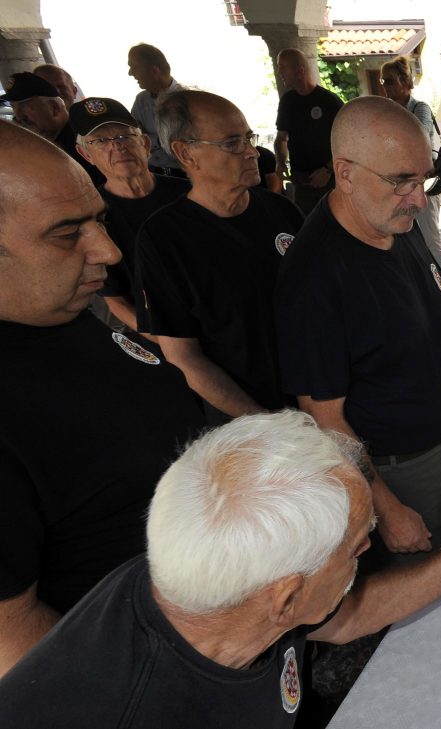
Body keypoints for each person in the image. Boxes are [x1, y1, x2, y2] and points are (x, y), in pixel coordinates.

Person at [0, 410, 441, 727]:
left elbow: (347, 617)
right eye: (356, 547)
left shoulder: (214, 584)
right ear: (285, 597)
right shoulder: (139, 710)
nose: (369, 546)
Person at [276, 96, 441, 570]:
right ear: (344, 173)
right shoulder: (316, 277)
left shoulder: (394, 221)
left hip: (440, 443)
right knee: (421, 591)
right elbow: (325, 420)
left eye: (421, 178)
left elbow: (430, 298)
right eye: (402, 180)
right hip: (393, 473)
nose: (420, 197)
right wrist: (387, 510)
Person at [0, 122, 205, 676]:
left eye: (99, 221)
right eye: (68, 234)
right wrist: (178, 685)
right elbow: (11, 642)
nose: (109, 251)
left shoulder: (52, 310)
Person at [134, 90, 304, 421]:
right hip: (245, 418)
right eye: (232, 143)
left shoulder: (281, 212)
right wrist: (264, 422)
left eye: (248, 138)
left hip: (318, 399)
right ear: (186, 153)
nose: (252, 152)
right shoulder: (163, 240)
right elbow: (183, 356)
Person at [70, 96, 190, 332]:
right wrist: (170, 345)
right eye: (101, 141)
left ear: (145, 143)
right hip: (156, 328)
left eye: (125, 136)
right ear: (86, 155)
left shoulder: (189, 191)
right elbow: (117, 302)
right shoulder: (91, 219)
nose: (117, 147)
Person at [380, 55, 441, 275]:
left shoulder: (419, 108)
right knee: (405, 233)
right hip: (401, 182)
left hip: (424, 182)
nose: (385, 87)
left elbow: (419, 141)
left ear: (405, 82)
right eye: (383, 82)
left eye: (390, 81)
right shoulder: (388, 111)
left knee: (430, 235)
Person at [1, 72, 103, 185]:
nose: (19, 116)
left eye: (26, 106)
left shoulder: (86, 141)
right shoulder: (39, 146)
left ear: (54, 107)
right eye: (13, 106)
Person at [274, 48, 343, 214]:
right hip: (301, 180)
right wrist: (280, 161)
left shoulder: (329, 101)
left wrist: (328, 169)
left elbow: (348, 141)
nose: (280, 72)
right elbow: (282, 138)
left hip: (328, 180)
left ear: (299, 70)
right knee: (307, 224)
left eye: (283, 67)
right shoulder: (287, 101)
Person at [127, 43, 185, 177]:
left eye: (134, 67)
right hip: (153, 176)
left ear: (154, 71)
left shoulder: (188, 101)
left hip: (184, 178)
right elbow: (133, 138)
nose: (130, 73)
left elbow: (183, 144)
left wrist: (148, 139)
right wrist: (162, 140)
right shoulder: (141, 100)